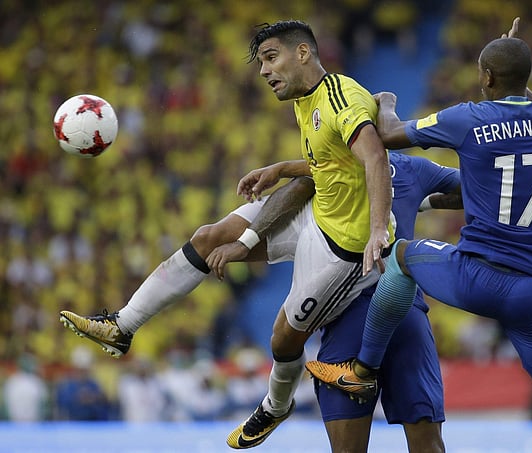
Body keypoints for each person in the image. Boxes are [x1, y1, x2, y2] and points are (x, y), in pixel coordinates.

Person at [62, 19, 395, 449]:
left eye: (271, 58)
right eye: (261, 63)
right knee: (210, 237)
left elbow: (375, 158)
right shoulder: (306, 99)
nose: (264, 71)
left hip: (345, 248)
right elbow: (332, 163)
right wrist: (282, 168)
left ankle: (276, 405)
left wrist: (376, 231)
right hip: (320, 212)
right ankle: (123, 326)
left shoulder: (338, 98)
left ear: (303, 53)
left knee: (283, 337)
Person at [306, 18, 532, 453]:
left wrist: (386, 102)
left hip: (476, 277)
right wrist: (512, 64)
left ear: (486, 77)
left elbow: (389, 134)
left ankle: (362, 371)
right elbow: (527, 105)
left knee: (401, 256)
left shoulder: (467, 119)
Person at [314, 151, 460, 453]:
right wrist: (423, 201)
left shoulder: (327, 161)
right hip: (404, 308)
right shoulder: (412, 167)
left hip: (348, 315)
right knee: (429, 447)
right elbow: (480, 186)